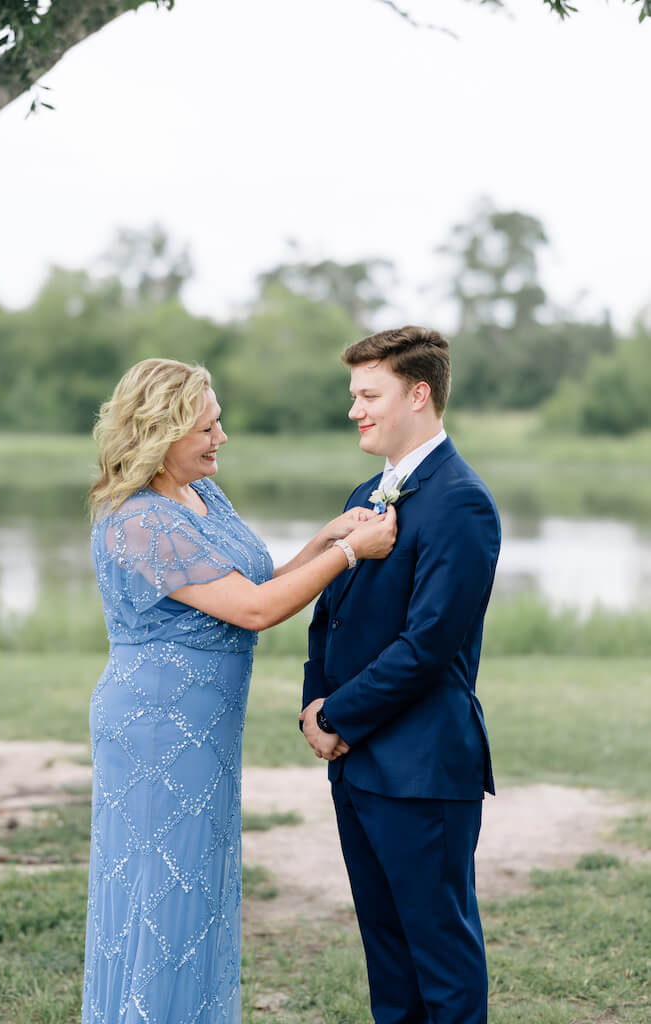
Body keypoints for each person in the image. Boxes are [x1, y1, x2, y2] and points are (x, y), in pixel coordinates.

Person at [82, 357, 396, 1024]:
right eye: (207, 426)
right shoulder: (139, 520)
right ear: (160, 434)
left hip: (205, 728)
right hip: (157, 726)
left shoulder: (201, 497)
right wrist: (348, 555)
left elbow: (255, 584)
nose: (220, 437)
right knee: (161, 894)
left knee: (197, 890)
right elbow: (254, 611)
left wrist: (325, 537)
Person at [300, 325, 501, 1024]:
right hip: (356, 766)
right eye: (353, 394)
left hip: (421, 768)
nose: (355, 408)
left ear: (417, 394)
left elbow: (427, 646)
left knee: (439, 957)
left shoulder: (461, 502)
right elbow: (330, 617)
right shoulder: (368, 491)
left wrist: (336, 717)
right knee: (387, 957)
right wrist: (313, 706)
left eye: (368, 394)